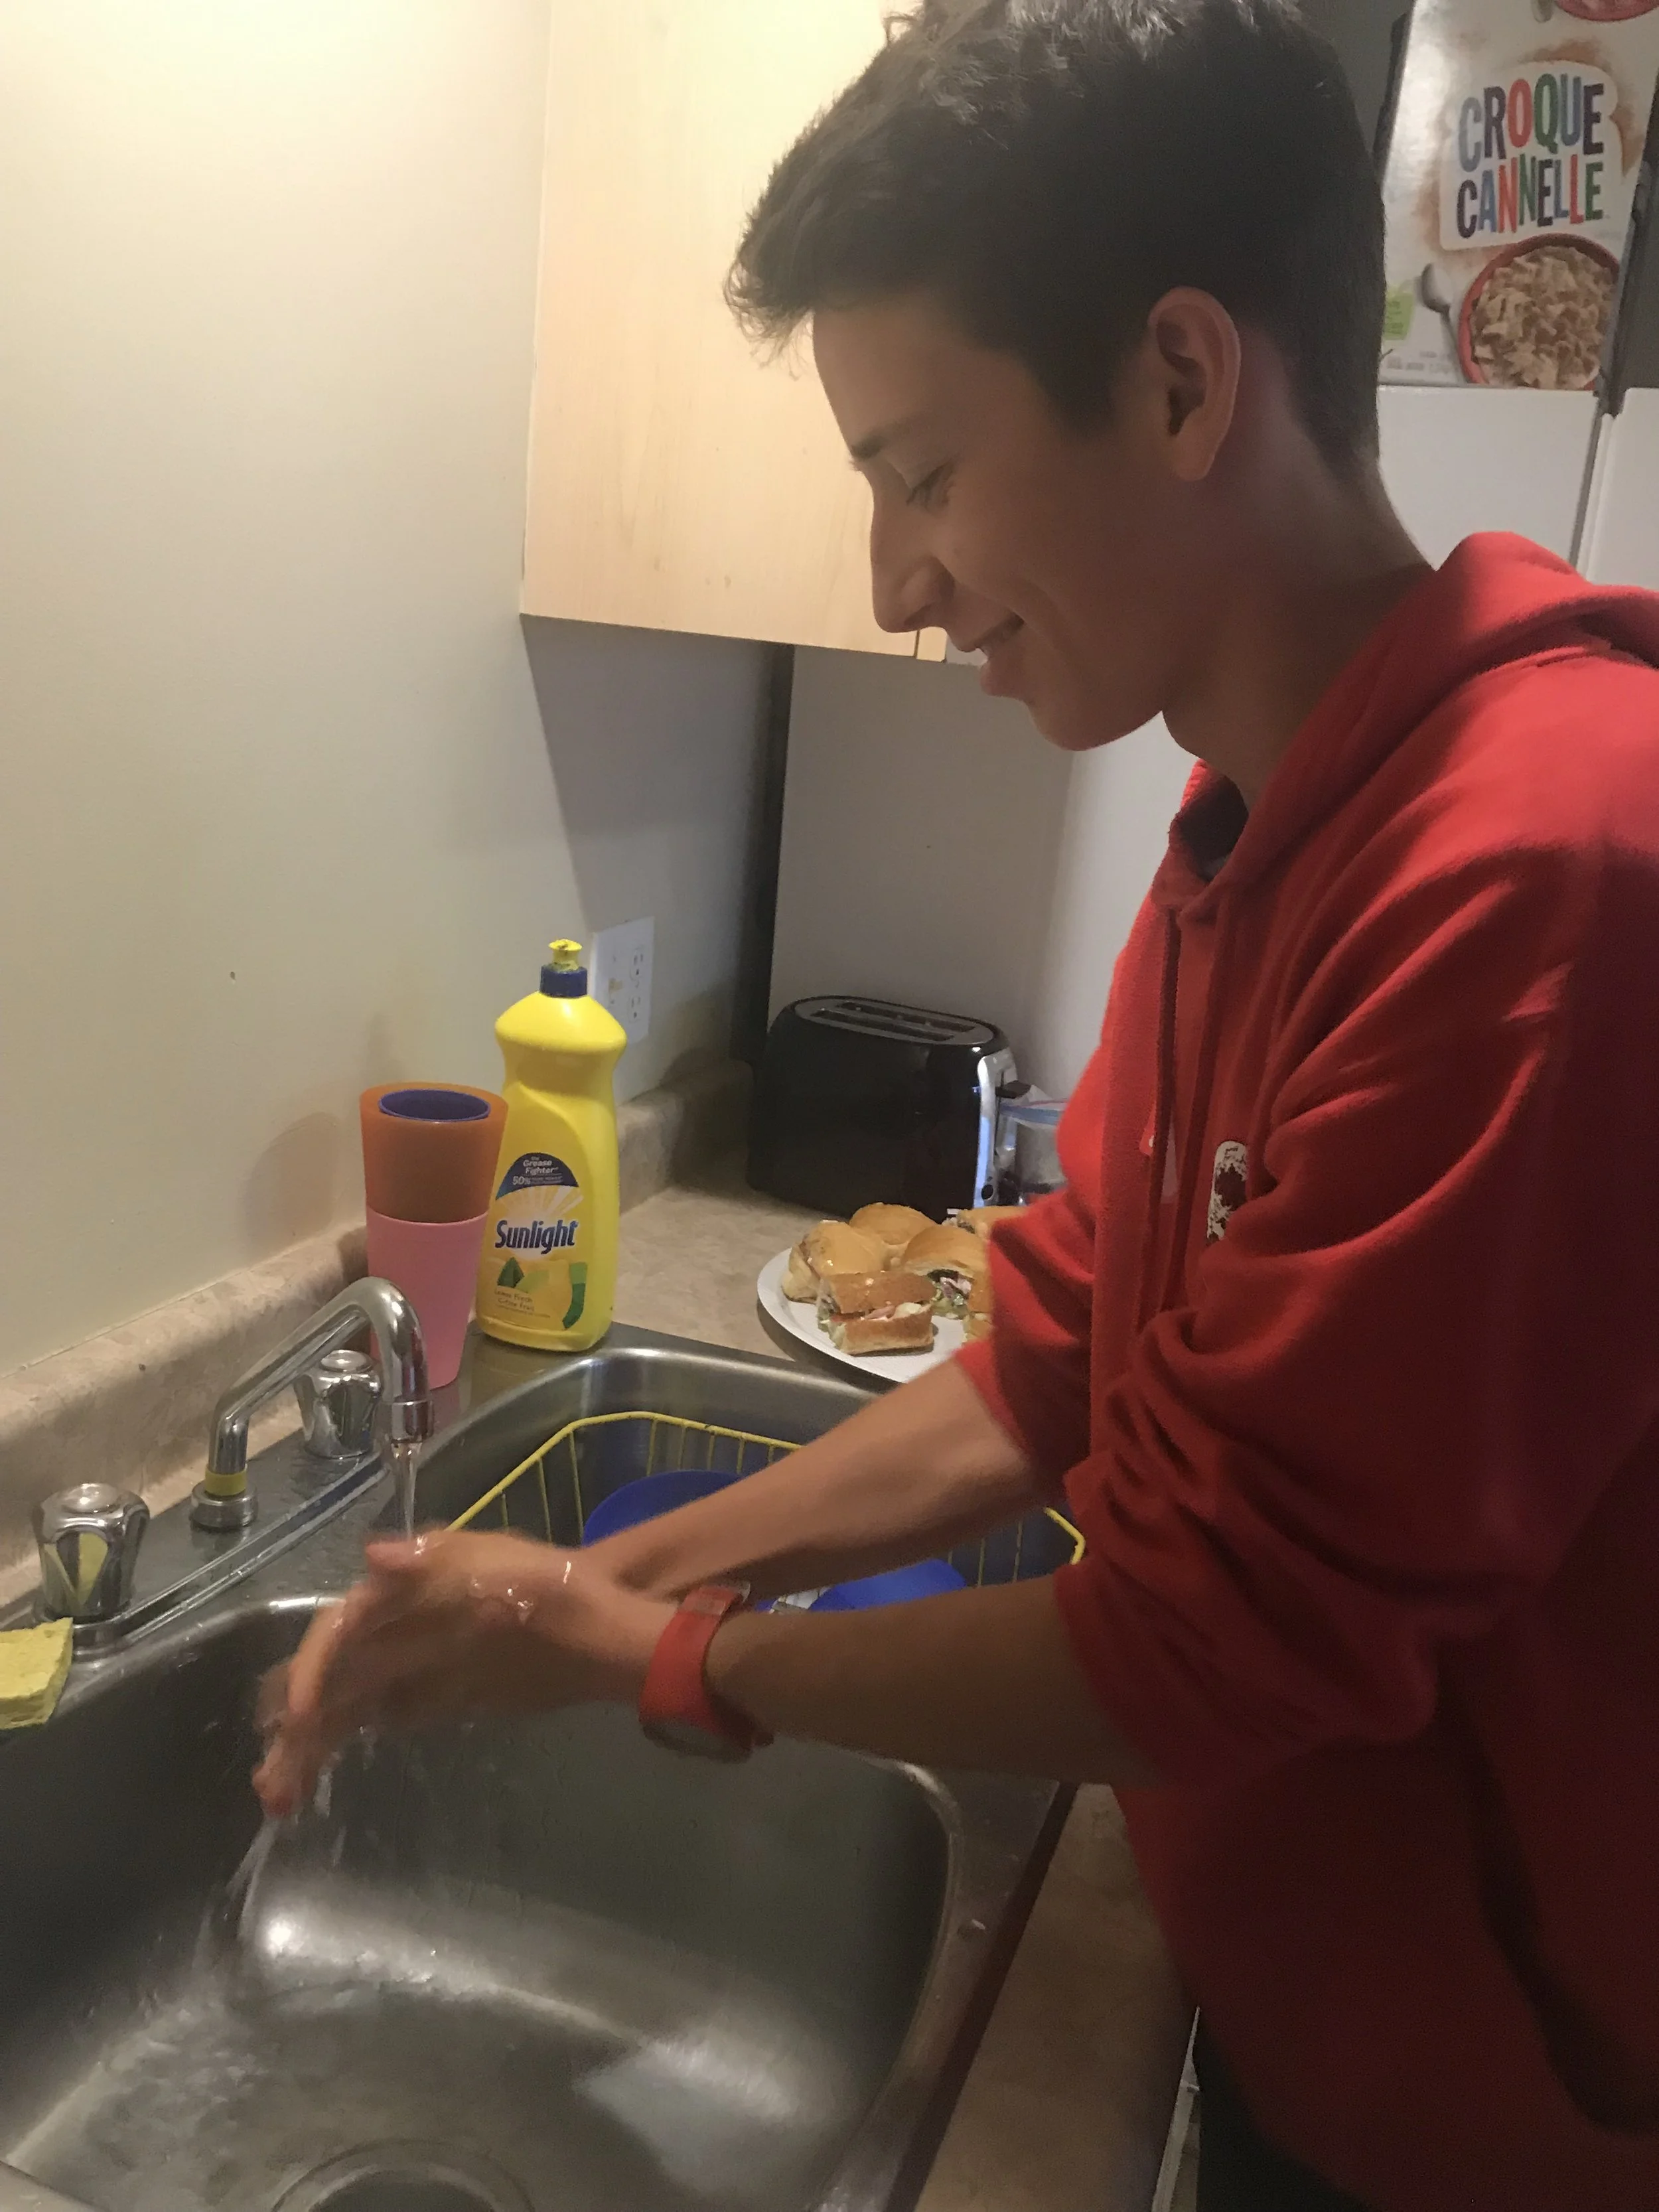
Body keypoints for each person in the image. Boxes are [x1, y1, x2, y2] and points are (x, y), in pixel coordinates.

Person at [255, 2, 1659, 2203]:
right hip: (1313, 2037)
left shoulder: (1543, 860)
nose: (895, 582)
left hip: (1499, 2137)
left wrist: (666, 1655)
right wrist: (588, 1583)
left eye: (921, 474)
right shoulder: (1243, 832)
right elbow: (1049, 1362)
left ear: (1180, 381)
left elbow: (1208, 1641)